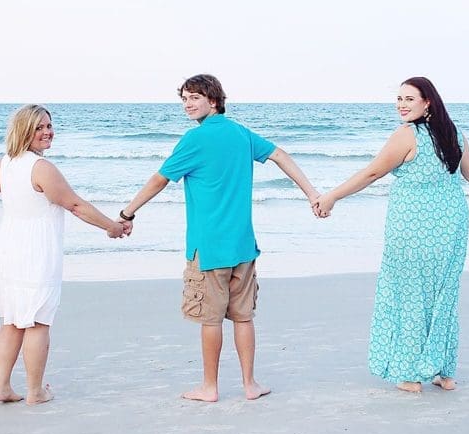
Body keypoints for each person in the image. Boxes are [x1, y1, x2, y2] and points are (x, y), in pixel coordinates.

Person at [118, 74, 319, 402]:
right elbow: (280, 155)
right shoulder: (241, 133)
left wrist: (127, 213)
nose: (187, 104)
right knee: (243, 316)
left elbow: (159, 180)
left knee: (211, 319)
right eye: (184, 99)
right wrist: (311, 192)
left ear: (214, 100)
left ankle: (210, 387)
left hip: (208, 247)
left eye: (194, 97)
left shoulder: (194, 140)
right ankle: (249, 384)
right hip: (242, 245)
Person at [313, 77, 469, 393]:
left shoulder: (406, 135)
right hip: (450, 225)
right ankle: (444, 372)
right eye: (399, 98)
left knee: (411, 294)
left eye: (409, 98)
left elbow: (371, 173)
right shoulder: (455, 135)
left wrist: (331, 197)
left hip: (412, 227)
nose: (402, 104)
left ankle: (410, 374)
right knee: (442, 295)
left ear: (428, 103)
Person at [0, 104, 125, 404]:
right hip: (36, 250)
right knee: (38, 321)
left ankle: (2, 387)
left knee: (13, 319)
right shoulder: (40, 168)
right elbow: (75, 205)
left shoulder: (7, 163)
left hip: (10, 247)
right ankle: (35, 391)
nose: (47, 132)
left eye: (49, 125)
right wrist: (111, 227)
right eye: (39, 127)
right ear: (24, 131)